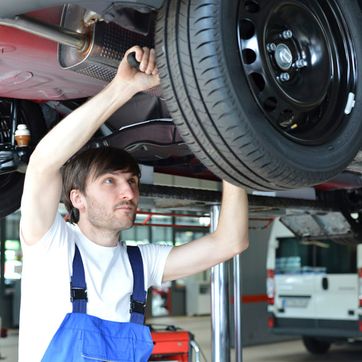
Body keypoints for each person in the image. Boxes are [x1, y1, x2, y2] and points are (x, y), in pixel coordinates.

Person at [18, 46, 249, 362]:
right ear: (77, 198)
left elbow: (230, 242)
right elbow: (44, 163)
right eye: (110, 181)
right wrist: (121, 90)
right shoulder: (51, 245)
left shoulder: (142, 263)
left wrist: (231, 159)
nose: (128, 192)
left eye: (132, 182)